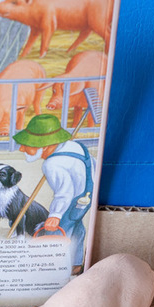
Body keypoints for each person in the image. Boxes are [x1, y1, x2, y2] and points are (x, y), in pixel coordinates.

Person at [13, 114, 96, 272]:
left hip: (71, 201)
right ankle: (75, 265)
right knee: (76, 228)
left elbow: (64, 192)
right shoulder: (76, 146)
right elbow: (94, 166)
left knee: (57, 234)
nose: (21, 148)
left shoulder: (52, 164)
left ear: (44, 146)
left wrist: (55, 215)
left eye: (27, 144)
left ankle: (56, 269)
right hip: (86, 197)